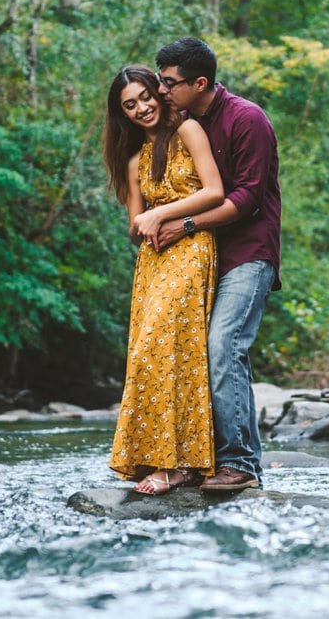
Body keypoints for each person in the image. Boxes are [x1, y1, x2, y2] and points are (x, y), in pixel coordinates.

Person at [145, 38, 282, 493]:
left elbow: (245, 199)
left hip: (247, 256)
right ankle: (195, 461)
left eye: (169, 83)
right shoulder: (182, 124)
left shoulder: (247, 120)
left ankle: (241, 464)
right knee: (186, 353)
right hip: (196, 263)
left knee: (223, 346)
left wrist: (184, 224)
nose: (162, 90)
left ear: (199, 83)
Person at [100, 65, 225, 495]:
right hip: (153, 261)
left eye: (145, 97)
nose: (141, 109)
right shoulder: (134, 159)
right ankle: (159, 459)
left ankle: (178, 464)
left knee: (173, 350)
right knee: (146, 354)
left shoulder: (190, 131)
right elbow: (135, 224)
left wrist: (161, 213)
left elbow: (214, 191)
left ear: (158, 92)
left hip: (192, 249)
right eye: (129, 106)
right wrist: (145, 221)